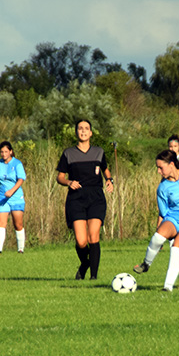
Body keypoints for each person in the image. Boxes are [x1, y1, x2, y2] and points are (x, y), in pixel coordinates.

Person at [133, 150, 179, 292]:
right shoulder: (162, 188)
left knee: (177, 247)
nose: (159, 171)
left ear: (171, 164)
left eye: (161, 167)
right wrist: (159, 229)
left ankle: (167, 287)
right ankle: (146, 264)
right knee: (158, 237)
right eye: (157, 168)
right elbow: (163, 212)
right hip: (173, 218)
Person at [56, 120, 114, 280]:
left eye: (86, 129)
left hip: (96, 197)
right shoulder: (68, 153)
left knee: (93, 235)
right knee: (81, 241)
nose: (83, 131)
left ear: (91, 133)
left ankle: (93, 277)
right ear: (76, 132)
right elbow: (59, 177)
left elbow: (105, 169)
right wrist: (69, 182)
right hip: (76, 198)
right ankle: (85, 264)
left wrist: (110, 180)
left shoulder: (99, 152)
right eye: (80, 129)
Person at [0, 141, 26, 255]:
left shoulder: (17, 164)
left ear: (11, 152)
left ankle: (20, 249)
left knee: (18, 224)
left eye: (6, 151)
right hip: (2, 197)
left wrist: (11, 191)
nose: (4, 154)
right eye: (2, 152)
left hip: (15, 197)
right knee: (1, 223)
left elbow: (21, 179)